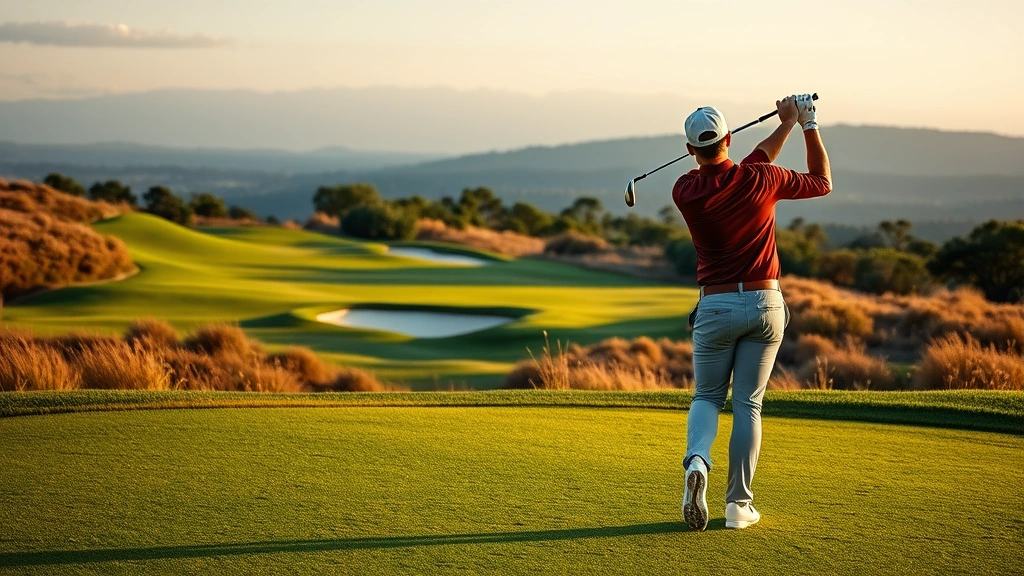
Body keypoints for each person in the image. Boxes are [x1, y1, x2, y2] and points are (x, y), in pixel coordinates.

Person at [672, 94, 832, 531]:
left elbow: (746, 164)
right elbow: (821, 181)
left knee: (707, 396)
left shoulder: (684, 190)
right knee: (748, 404)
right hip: (765, 303)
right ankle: (737, 507)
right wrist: (804, 122)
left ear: (690, 150)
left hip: (715, 305)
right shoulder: (761, 178)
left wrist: (784, 125)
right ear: (728, 137)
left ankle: (698, 463)